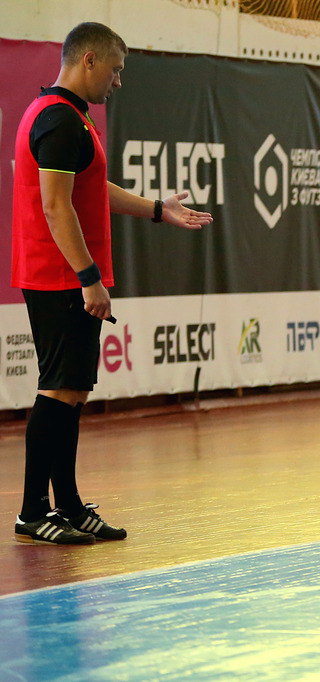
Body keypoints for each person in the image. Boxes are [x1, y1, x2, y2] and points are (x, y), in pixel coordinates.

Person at [11, 22, 213, 545]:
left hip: (66, 276)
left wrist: (157, 209)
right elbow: (55, 207)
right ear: (89, 61)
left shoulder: (68, 116)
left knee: (73, 392)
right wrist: (89, 279)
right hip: (59, 277)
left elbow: (90, 188)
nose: (119, 81)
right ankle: (32, 512)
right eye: (116, 69)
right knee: (58, 389)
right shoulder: (58, 120)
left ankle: (69, 504)